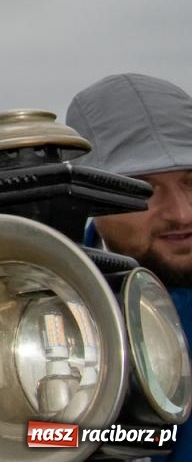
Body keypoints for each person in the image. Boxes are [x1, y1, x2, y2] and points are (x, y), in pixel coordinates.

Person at [67, 72, 192, 460]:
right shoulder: (45, 299)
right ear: (90, 195)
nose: (182, 214)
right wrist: (120, 440)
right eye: (143, 188)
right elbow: (30, 436)